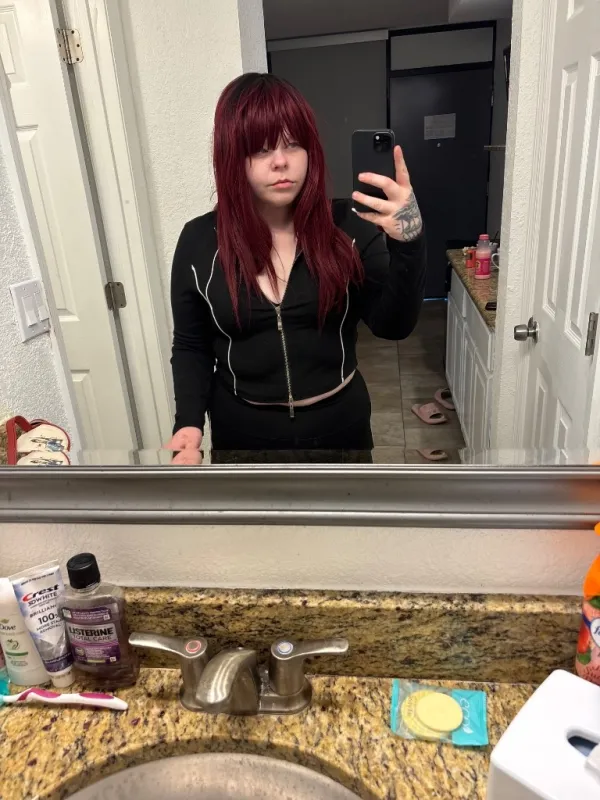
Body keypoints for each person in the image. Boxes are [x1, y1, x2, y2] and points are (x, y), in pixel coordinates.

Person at [166, 73, 426, 464]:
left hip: (341, 431)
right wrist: (188, 425)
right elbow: (192, 345)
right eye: (260, 149)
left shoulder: (349, 228)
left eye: (293, 144)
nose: (281, 162)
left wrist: (409, 241)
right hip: (242, 438)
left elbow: (394, 326)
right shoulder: (199, 241)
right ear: (232, 157)